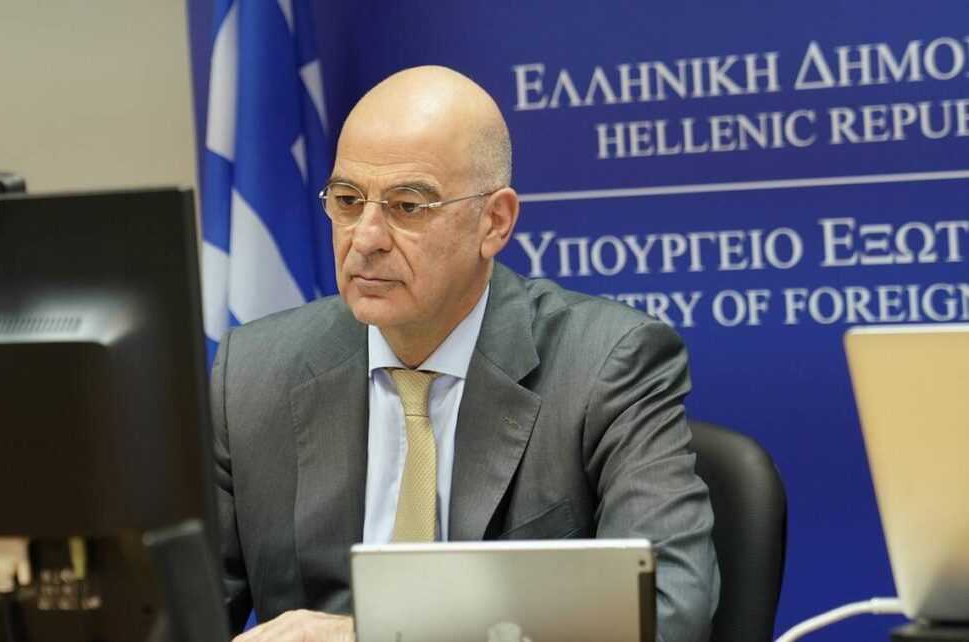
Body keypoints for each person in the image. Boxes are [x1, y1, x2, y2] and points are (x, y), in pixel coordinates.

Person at [211, 65, 719, 642]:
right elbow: (174, 611)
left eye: (407, 206)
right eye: (348, 200)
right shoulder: (253, 372)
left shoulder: (606, 364)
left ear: (494, 222)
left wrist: (371, 636)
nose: (366, 237)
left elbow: (665, 611)